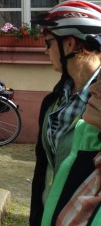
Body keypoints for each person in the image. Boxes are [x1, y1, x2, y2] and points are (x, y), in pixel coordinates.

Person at [29, 0, 101, 225]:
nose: (45, 50)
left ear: (69, 44)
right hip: (50, 213)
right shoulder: (55, 99)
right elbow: (44, 169)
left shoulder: (98, 106)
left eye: (48, 42)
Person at [41, 68, 101, 225]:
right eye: (99, 78)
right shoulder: (89, 147)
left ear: (70, 45)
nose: (93, 89)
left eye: (49, 43)